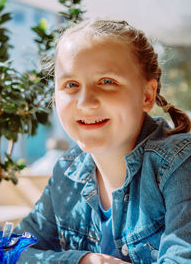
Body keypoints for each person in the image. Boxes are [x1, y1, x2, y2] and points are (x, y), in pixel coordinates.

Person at [15, 19, 191, 264]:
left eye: (107, 81)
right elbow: (15, 251)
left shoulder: (181, 164)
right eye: (71, 84)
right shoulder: (66, 171)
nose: (86, 102)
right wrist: (82, 261)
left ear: (147, 94)